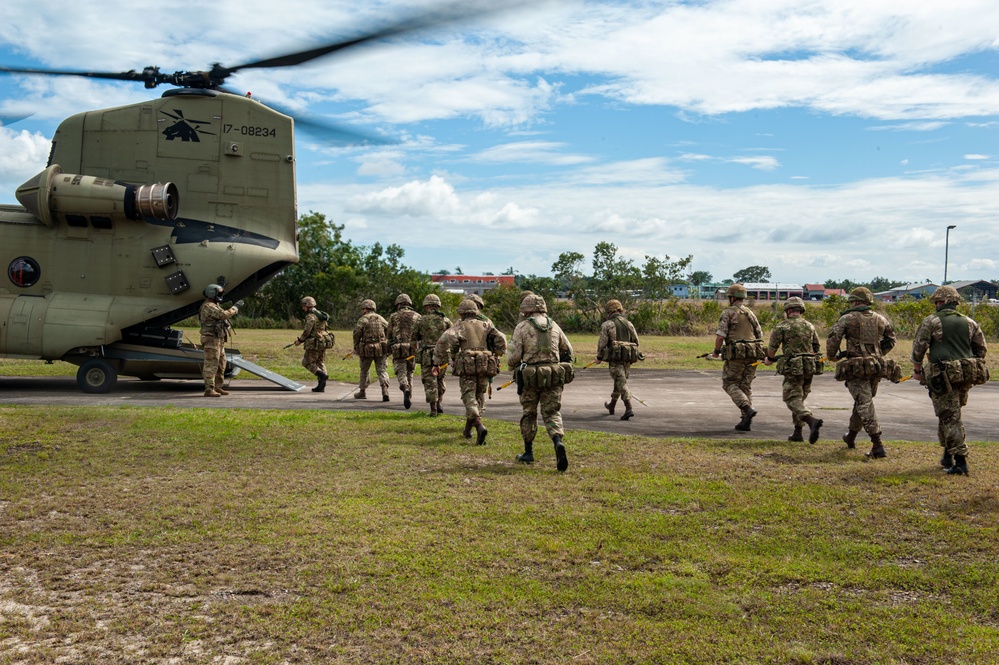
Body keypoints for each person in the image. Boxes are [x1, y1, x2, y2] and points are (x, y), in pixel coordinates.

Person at [911, 286, 989, 475]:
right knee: (951, 413)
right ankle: (948, 454)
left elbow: (919, 347)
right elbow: (981, 349)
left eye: (937, 302)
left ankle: (961, 462)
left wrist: (917, 369)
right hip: (965, 374)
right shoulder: (970, 322)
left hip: (942, 375)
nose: (936, 305)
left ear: (942, 302)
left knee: (949, 416)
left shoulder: (931, 321)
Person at [826, 287, 897, 459]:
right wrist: (878, 354)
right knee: (863, 401)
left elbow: (833, 339)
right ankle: (851, 436)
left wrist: (833, 356)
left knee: (864, 403)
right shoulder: (881, 319)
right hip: (875, 367)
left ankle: (877, 444)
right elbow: (892, 339)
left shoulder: (847, 319)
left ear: (855, 302)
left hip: (856, 367)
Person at [509, 294, 574, 472]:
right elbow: (568, 350)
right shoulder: (554, 325)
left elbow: (513, 355)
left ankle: (528, 452)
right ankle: (557, 442)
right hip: (552, 376)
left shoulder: (522, 327)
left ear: (526, 310)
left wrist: (513, 367)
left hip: (530, 378)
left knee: (529, 413)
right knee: (552, 412)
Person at [433, 300, 507, 444]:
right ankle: (468, 429)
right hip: (485, 363)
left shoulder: (459, 326)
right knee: (479, 394)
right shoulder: (486, 324)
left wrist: (437, 362)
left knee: (468, 395)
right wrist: (496, 354)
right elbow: (502, 339)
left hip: (467, 364)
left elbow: (442, 342)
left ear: (461, 313)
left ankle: (478, 425)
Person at [764, 297, 824, 443]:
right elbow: (816, 347)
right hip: (809, 366)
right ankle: (798, 432)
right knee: (800, 398)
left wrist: (769, 359)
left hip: (793, 368)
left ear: (788, 310)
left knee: (791, 398)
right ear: (800, 310)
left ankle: (811, 420)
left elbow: (772, 349)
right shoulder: (809, 326)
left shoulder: (782, 327)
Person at [711, 284, 765, 430]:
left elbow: (720, 336)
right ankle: (745, 421)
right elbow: (759, 334)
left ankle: (747, 409)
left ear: (732, 297)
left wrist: (716, 351)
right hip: (753, 354)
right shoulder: (750, 313)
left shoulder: (728, 313)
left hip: (736, 356)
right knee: (745, 385)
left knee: (729, 383)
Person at [595, 299, 641, 420]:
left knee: (621, 382)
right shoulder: (628, 323)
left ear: (609, 312)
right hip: (627, 358)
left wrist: (599, 357)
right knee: (620, 381)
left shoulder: (607, 325)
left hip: (615, 359)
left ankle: (628, 407)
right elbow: (636, 341)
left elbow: (602, 343)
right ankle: (612, 405)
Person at [412, 293, 453, 416]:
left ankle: (433, 408)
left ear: (426, 306)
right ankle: (440, 401)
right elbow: (453, 336)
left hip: (427, 355)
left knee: (430, 381)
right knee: (440, 378)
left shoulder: (420, 320)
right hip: (442, 354)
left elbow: (413, 340)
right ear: (437, 305)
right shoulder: (445, 320)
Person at [199, 283, 240, 397]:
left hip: (218, 338)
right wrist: (235, 308)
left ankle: (218, 387)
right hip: (211, 339)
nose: (221, 295)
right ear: (212, 293)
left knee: (221, 363)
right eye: (219, 293)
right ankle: (209, 389)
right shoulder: (208, 306)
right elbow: (223, 315)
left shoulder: (214, 305)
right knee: (211, 363)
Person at [352, 299, 390, 401]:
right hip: (381, 349)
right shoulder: (381, 319)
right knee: (382, 370)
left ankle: (362, 392)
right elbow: (389, 330)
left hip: (366, 349)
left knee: (364, 370)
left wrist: (356, 346)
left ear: (365, 309)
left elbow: (357, 333)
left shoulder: (363, 319)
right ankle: (385, 390)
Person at [388, 293, 421, 409]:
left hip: (398, 347)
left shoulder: (393, 316)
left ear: (399, 304)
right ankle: (409, 395)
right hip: (412, 348)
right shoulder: (417, 316)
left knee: (401, 370)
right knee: (410, 371)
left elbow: (389, 333)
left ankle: (404, 386)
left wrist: (389, 346)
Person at [293, 296, 333, 393]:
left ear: (307, 305)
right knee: (320, 362)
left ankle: (321, 375)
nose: (303, 308)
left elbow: (307, 331)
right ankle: (321, 386)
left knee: (306, 362)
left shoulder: (311, 316)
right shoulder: (321, 315)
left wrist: (300, 340)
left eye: (304, 306)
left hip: (314, 343)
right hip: (323, 341)